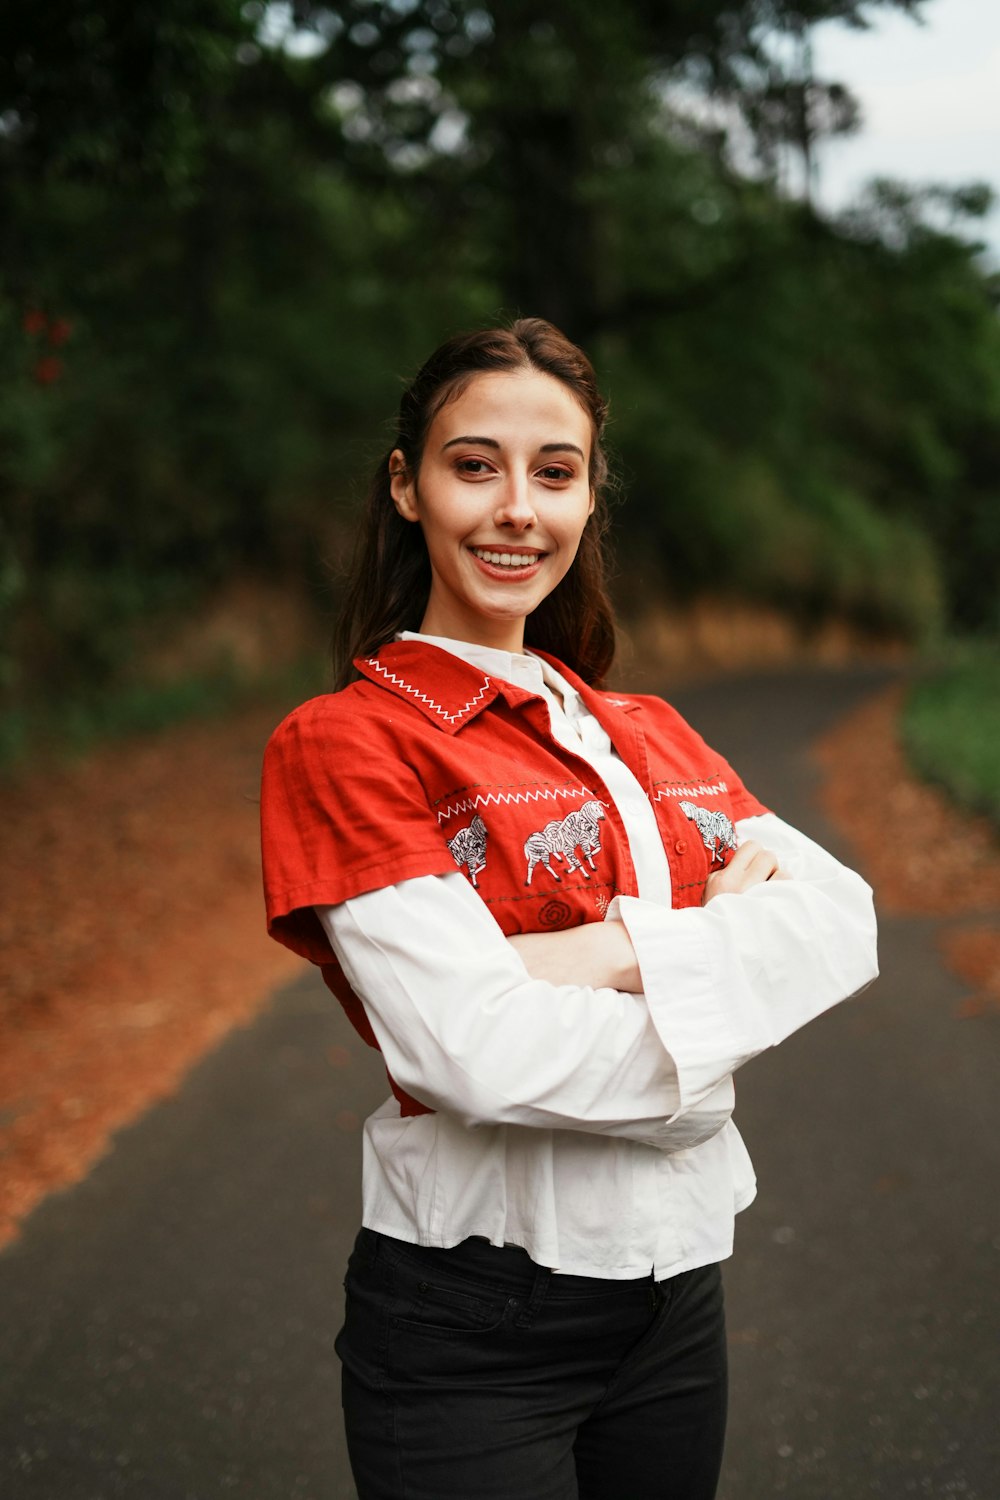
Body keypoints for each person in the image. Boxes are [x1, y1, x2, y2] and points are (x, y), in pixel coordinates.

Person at [260, 318, 877, 1500]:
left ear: (590, 497)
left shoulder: (646, 728)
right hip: (471, 1324)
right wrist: (707, 973)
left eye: (555, 472)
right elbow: (473, 1054)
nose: (516, 511)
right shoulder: (346, 743)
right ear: (407, 484)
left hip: (676, 1301)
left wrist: (588, 956)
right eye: (472, 464)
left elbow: (840, 919)